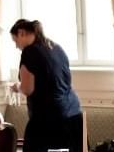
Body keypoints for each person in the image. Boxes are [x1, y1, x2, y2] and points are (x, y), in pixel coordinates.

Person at [10, 19, 83, 152]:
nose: (16, 46)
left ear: (21, 33)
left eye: (15, 41)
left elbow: (27, 89)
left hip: (47, 118)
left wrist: (17, 87)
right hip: (74, 114)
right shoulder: (56, 47)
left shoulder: (29, 52)